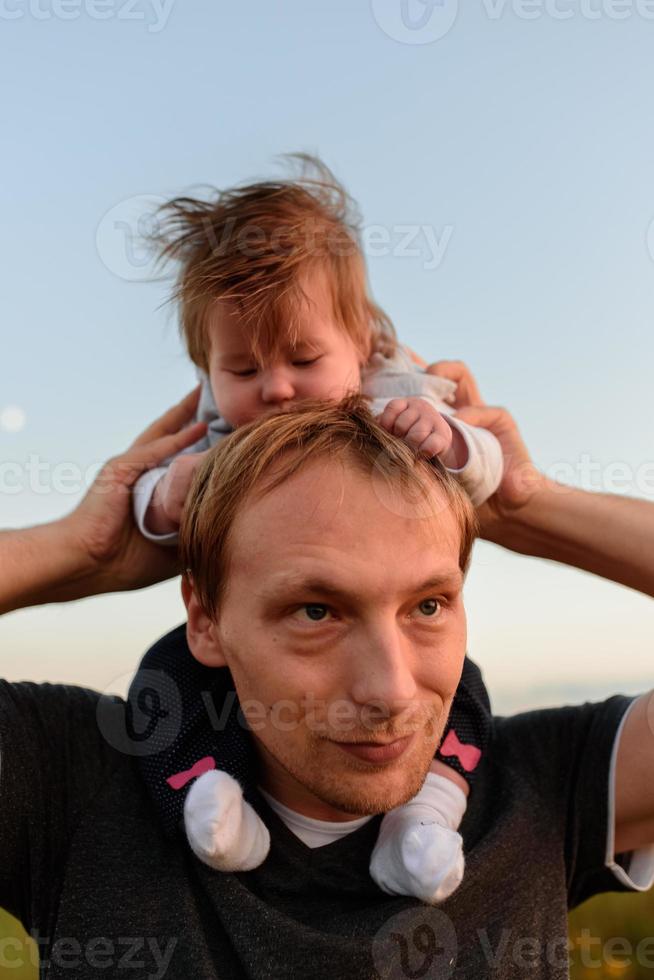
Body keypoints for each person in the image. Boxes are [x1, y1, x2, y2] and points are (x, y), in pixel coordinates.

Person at [1, 382, 653, 980]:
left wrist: (528, 501)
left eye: (427, 606)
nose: (391, 691)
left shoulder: (543, 785)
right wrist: (79, 549)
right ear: (203, 620)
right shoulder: (71, 781)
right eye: (316, 612)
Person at [129, 156, 502, 902]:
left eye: (304, 358)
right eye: (240, 370)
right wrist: (162, 498)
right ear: (207, 372)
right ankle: (210, 796)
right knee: (164, 681)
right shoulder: (212, 441)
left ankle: (423, 820)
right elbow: (139, 502)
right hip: (223, 669)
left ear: (361, 345)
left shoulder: (397, 400)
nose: (274, 388)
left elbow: (491, 469)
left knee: (465, 696)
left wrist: (449, 439)